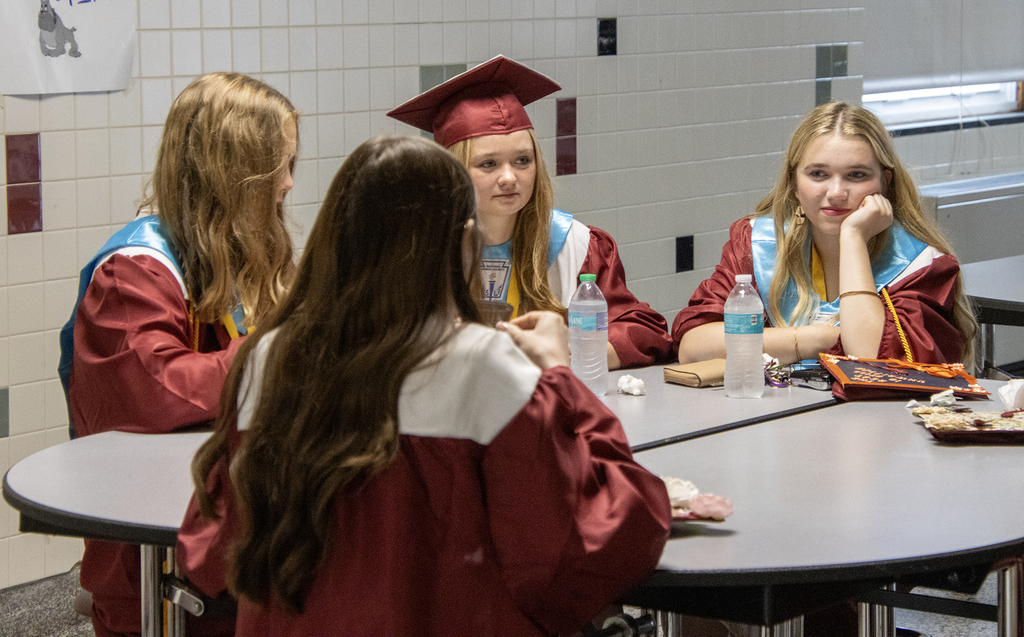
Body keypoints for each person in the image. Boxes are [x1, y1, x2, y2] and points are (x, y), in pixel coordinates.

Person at [176, 135, 672, 636]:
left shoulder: (268, 357)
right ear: (462, 242)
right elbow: (588, 544)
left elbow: (210, 553)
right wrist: (560, 375)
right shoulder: (481, 367)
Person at [57, 71, 299, 637]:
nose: (288, 184)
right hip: (154, 554)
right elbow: (155, 386)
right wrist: (284, 349)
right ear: (235, 173)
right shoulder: (132, 273)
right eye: (280, 166)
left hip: (234, 528)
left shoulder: (243, 252)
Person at [387, 56, 673, 370]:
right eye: (488, 164)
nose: (509, 177)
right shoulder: (418, 252)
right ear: (453, 173)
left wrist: (565, 354)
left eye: (522, 160)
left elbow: (646, 332)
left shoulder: (573, 244)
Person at [674, 101, 977, 370]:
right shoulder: (757, 244)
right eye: (818, 174)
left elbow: (871, 360)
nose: (836, 193)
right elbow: (693, 347)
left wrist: (854, 238)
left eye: (856, 175)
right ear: (794, 182)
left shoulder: (921, 265)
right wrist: (817, 338)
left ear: (884, 182)